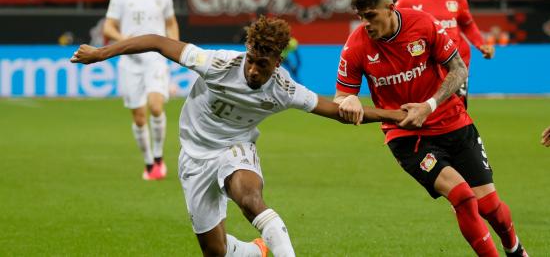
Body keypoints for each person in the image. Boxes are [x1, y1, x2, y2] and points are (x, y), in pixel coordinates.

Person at [72, 16, 406, 257]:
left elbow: (336, 111)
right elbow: (158, 42)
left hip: (235, 149)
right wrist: (102, 53)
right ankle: (256, 251)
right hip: (194, 154)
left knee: (250, 201)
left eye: (262, 64)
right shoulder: (217, 63)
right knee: (215, 251)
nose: (252, 70)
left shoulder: (284, 89)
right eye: (250, 61)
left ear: (277, 63)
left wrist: (396, 115)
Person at [335, 0, 527, 257]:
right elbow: (342, 100)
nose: (364, 23)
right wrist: (348, 100)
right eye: (360, 17)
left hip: (452, 121)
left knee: (490, 206)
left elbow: (458, 69)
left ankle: (515, 248)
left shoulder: (422, 23)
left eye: (370, 15)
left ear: (389, 8)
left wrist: (429, 105)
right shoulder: (355, 46)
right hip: (407, 137)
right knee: (462, 197)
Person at [103, 0, 179, 180]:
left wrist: (174, 50)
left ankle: (158, 159)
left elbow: (171, 24)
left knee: (156, 107)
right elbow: (108, 28)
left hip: (155, 58)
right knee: (138, 116)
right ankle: (148, 163)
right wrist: (124, 40)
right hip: (130, 61)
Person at [395, 0, 495, 108]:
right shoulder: (405, 2)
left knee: (457, 110)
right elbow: (397, 35)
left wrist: (481, 44)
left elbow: (467, 24)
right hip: (425, 67)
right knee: (427, 113)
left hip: (456, 64)